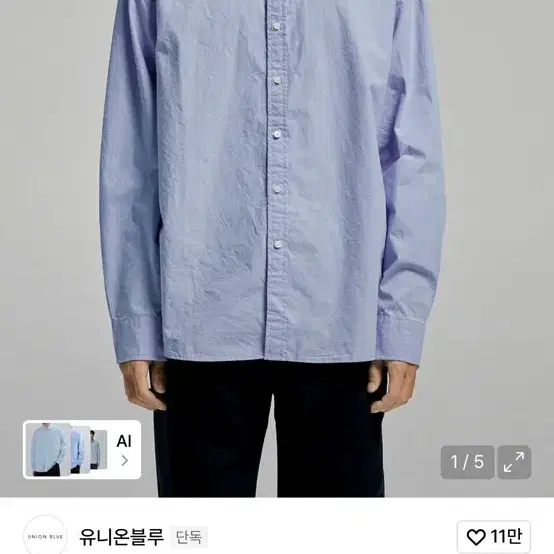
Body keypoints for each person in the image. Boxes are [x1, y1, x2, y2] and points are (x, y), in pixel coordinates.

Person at [99, 0, 446, 497]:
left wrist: (401, 319)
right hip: (199, 317)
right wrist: (137, 323)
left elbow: (411, 153)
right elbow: (131, 152)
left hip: (340, 317)